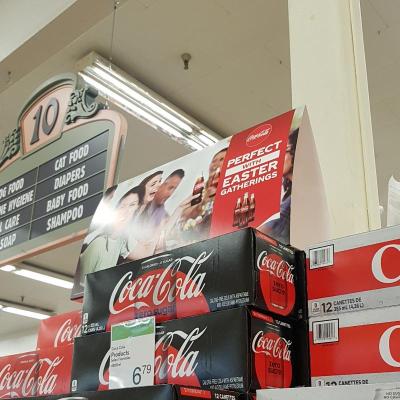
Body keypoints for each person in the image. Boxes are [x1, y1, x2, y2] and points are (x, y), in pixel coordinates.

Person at [77, 186, 143, 282]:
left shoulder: (120, 240)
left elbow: (143, 254)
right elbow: (82, 287)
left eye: (132, 205)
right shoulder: (98, 243)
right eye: (122, 206)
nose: (127, 212)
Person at [259, 128, 298, 244]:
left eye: (283, 151)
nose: (276, 159)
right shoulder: (289, 195)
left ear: (296, 150)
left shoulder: (297, 197)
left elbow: (262, 233)